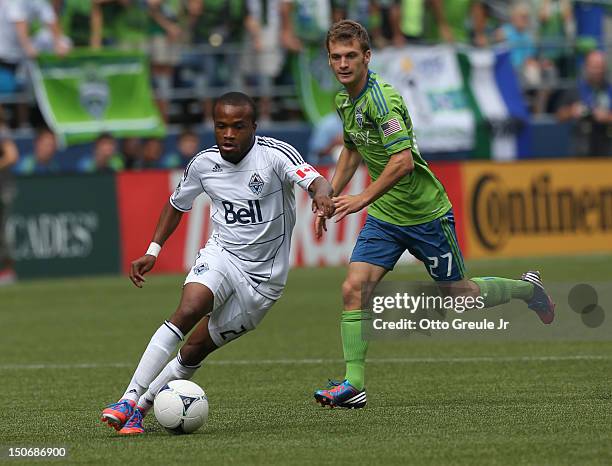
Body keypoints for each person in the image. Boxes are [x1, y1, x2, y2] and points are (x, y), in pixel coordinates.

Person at [313, 20, 555, 409]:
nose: (343, 64)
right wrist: (331, 195)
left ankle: (529, 290)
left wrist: (359, 199)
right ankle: (353, 384)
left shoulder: (383, 100)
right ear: (329, 60)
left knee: (462, 297)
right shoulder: (344, 101)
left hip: (426, 215)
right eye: (336, 57)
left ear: (367, 58)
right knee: (353, 289)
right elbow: (353, 148)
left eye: (351, 56)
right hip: (386, 217)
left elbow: (403, 162)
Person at [99, 92, 334, 435]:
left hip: (263, 284)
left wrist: (322, 195)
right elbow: (177, 203)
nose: (228, 134)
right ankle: (127, 399)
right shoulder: (203, 164)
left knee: (194, 350)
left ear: (253, 126)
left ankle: (141, 409)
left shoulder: (274, 156)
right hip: (222, 255)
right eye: (221, 126)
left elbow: (315, 180)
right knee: (189, 308)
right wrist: (153, 250)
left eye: (237, 126)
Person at [556, 50, 612, 157]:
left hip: (607, 149)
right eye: (593, 67)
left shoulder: (610, 90)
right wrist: (572, 111)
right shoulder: (575, 89)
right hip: (581, 147)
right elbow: (559, 115)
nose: (596, 71)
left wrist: (607, 116)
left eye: (600, 67)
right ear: (586, 67)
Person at [0, 132, 19, 284]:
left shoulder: (2, 133)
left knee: (2, 232)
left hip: (2, 191)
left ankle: (7, 272)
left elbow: (12, 155)